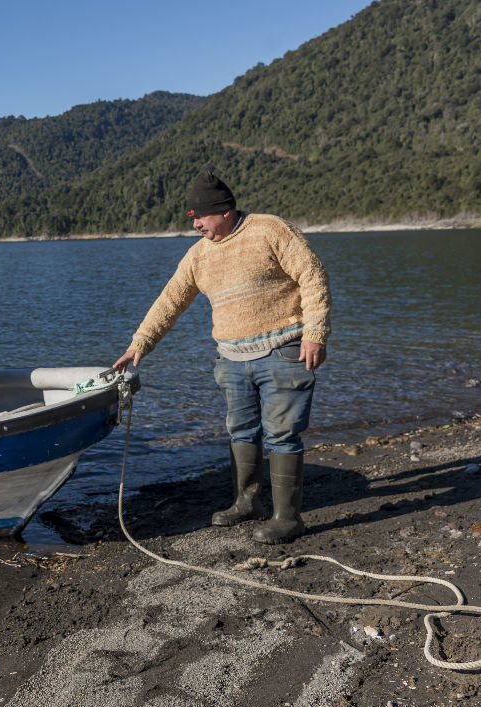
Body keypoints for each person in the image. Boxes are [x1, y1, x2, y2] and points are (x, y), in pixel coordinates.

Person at [113, 167, 331, 544]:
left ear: (226, 211)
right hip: (230, 360)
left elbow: (313, 275)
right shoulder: (198, 255)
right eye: (193, 217)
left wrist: (315, 333)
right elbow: (170, 300)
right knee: (241, 431)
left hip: (282, 353)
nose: (196, 224)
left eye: (201, 216)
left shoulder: (270, 230)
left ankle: (287, 518)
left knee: (281, 435)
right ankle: (247, 503)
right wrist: (140, 343)